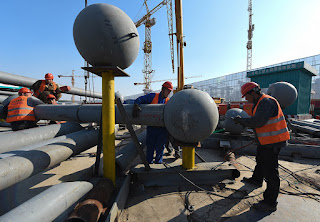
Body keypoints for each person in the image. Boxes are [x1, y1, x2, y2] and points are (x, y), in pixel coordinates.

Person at [233, 82, 290, 212]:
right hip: (266, 142)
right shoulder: (260, 102)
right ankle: (256, 180)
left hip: (274, 142)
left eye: (246, 96)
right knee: (260, 160)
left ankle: (270, 203)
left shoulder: (266, 102)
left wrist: (241, 120)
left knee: (271, 172)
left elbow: (257, 122)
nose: (246, 99)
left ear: (253, 92)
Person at [132, 81, 173, 164]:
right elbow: (140, 99)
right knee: (150, 147)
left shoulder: (168, 101)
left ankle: (158, 163)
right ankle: (149, 164)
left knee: (160, 147)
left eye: (170, 91)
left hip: (162, 130)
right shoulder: (153, 96)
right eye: (167, 91)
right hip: (152, 128)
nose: (168, 93)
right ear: (162, 89)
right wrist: (136, 105)